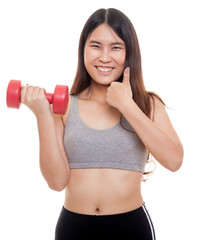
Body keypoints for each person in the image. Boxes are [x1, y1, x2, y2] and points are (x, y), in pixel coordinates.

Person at [20, 8, 183, 240]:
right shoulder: (65, 107)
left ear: (129, 54)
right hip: (74, 228)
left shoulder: (148, 104)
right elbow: (56, 182)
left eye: (115, 47)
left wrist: (128, 106)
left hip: (131, 227)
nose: (105, 57)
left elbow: (175, 161)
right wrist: (42, 115)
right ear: (83, 50)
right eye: (95, 46)